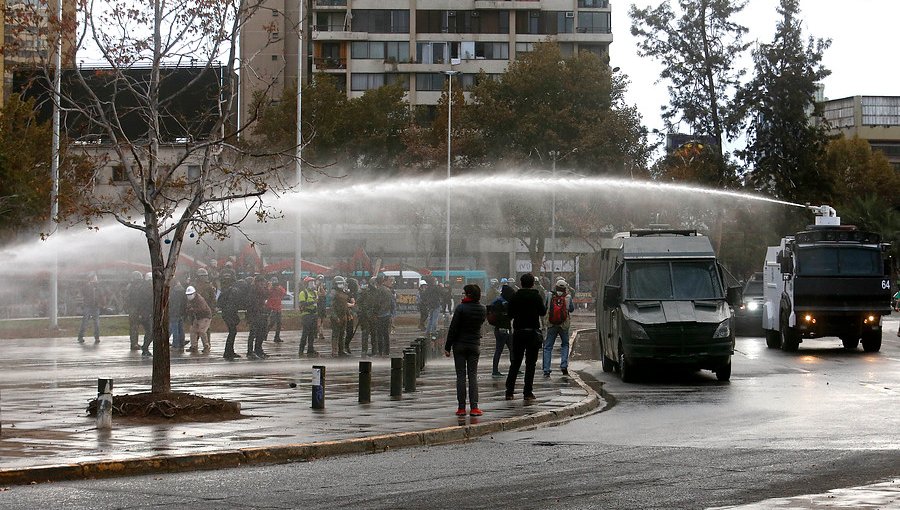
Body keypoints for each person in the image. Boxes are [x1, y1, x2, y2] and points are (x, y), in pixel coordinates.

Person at [444, 284, 487, 417]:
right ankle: (474, 407)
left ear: (467, 294)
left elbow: (453, 328)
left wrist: (447, 346)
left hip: (460, 345)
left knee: (461, 377)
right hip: (474, 345)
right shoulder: (482, 309)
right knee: (473, 376)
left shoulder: (460, 308)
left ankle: (461, 408)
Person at [505, 273, 547, 401]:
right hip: (532, 333)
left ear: (521, 283)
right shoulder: (536, 296)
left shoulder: (515, 296)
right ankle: (527, 392)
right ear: (532, 283)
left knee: (515, 362)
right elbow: (543, 312)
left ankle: (509, 391)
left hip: (518, 332)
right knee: (530, 364)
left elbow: (510, 314)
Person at [542, 278, 576, 377]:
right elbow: (572, 309)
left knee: (548, 347)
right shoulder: (568, 297)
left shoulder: (549, 295)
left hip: (551, 324)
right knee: (565, 345)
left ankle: (546, 369)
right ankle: (563, 365)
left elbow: (545, 308)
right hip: (563, 325)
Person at [489, 282, 515, 378]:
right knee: (500, 350)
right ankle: (495, 370)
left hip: (503, 328)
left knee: (511, 349)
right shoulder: (502, 302)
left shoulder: (498, 300)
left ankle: (513, 367)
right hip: (502, 329)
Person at [217, 274, 243, 360]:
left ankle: (229, 351)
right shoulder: (233, 290)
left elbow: (220, 303)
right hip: (230, 313)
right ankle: (228, 352)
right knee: (232, 332)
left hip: (226, 313)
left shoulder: (224, 291)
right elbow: (238, 302)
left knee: (232, 332)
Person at [245, 275, 270, 359]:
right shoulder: (253, 290)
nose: (263, 284)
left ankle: (258, 350)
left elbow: (266, 296)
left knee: (261, 333)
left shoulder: (262, 290)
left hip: (262, 314)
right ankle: (250, 352)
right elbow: (251, 303)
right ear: (257, 282)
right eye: (261, 282)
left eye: (264, 282)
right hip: (254, 315)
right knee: (253, 333)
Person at [184, 285, 212, 353]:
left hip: (205, 316)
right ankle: (194, 346)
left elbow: (201, 309)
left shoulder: (200, 299)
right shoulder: (190, 300)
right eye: (188, 295)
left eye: (190, 294)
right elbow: (188, 309)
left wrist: (192, 309)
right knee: (193, 331)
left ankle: (206, 347)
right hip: (197, 317)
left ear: (194, 293)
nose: (189, 296)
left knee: (202, 331)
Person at [77, 273, 103, 344]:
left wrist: (100, 303)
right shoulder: (86, 286)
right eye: (95, 278)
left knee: (96, 323)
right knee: (85, 322)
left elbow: (101, 294)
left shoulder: (98, 287)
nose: (97, 279)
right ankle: (80, 336)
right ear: (92, 278)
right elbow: (82, 294)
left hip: (95, 306)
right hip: (87, 306)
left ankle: (97, 337)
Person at [329, 276, 351, 357]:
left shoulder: (344, 293)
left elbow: (345, 305)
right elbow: (332, 307)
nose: (341, 285)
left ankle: (341, 350)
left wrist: (348, 314)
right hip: (336, 317)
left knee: (342, 334)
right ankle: (334, 351)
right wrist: (335, 317)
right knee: (335, 334)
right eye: (339, 284)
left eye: (342, 283)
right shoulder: (333, 293)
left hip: (343, 316)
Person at [297, 276, 319, 357]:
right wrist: (312, 302)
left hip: (314, 314)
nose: (312, 284)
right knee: (305, 333)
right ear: (306, 284)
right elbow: (302, 304)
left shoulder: (315, 292)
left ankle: (310, 349)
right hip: (306, 315)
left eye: (313, 282)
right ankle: (301, 350)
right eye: (310, 283)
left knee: (312, 333)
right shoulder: (303, 293)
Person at [357, 277, 377, 357]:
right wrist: (361, 312)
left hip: (374, 316)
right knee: (365, 334)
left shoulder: (378, 292)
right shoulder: (364, 291)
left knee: (374, 334)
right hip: (365, 316)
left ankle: (374, 351)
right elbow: (358, 303)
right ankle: (364, 351)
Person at [125, 271, 145, 350]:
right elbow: (129, 298)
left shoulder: (131, 286)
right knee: (134, 327)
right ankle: (134, 344)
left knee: (135, 327)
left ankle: (134, 343)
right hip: (134, 308)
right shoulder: (133, 287)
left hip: (134, 308)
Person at [168, 275, 186, 351]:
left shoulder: (173, 292)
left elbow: (171, 302)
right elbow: (184, 302)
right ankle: (181, 343)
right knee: (181, 329)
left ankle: (175, 345)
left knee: (174, 329)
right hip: (181, 312)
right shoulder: (182, 290)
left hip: (174, 312)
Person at [266, 276, 286, 343]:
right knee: (271, 323)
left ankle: (277, 337)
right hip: (271, 307)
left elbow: (283, 293)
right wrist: (270, 287)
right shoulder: (269, 289)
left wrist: (278, 287)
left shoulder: (279, 288)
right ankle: (264, 335)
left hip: (278, 308)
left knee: (279, 323)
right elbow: (266, 294)